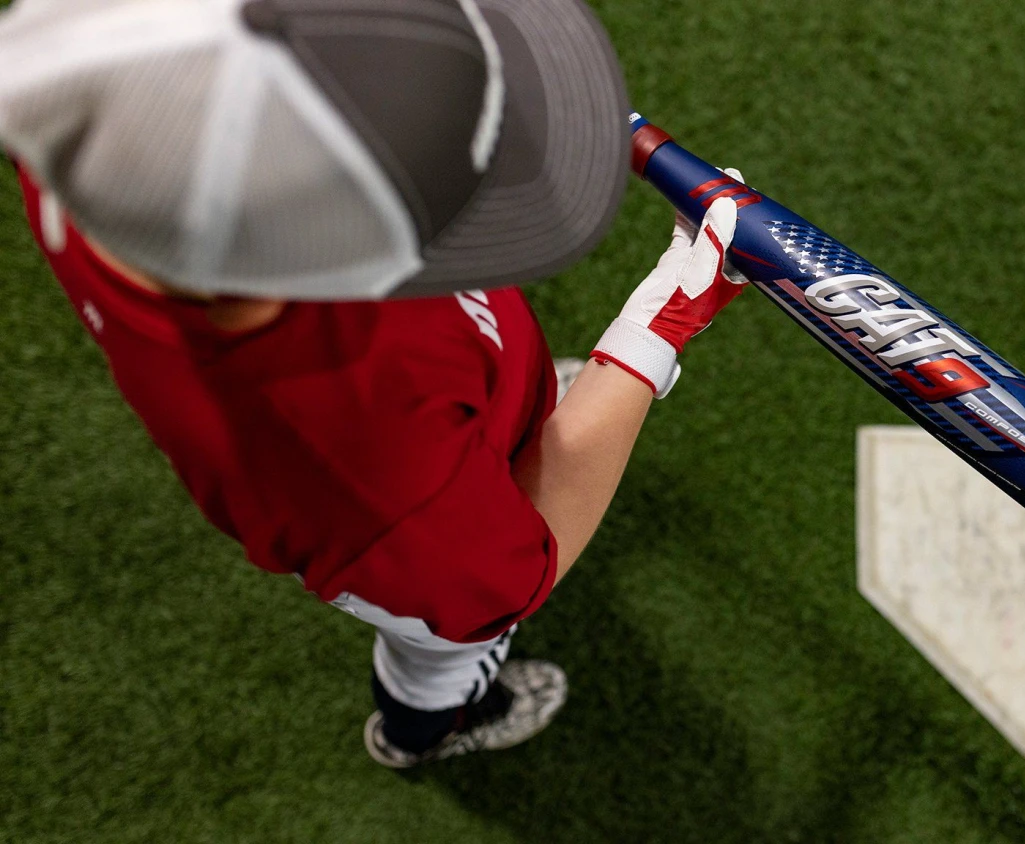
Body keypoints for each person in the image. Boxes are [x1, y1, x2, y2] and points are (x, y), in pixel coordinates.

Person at [0, 0, 748, 767]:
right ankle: (423, 731)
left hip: (441, 423)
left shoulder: (92, 107)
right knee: (452, 654)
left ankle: (524, 414)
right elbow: (510, 581)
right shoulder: (357, 455)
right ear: (295, 274)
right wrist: (654, 331)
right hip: (418, 546)